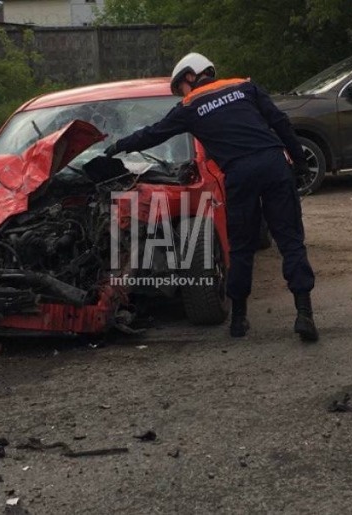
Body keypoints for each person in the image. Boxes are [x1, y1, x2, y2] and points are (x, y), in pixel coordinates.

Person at [105, 53, 319, 342]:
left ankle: (239, 321)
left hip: (240, 174)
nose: (182, 92)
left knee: (241, 246)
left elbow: (153, 134)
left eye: (180, 86)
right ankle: (304, 314)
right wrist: (300, 162)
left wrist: (118, 145)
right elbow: (279, 121)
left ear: (190, 77)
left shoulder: (190, 105)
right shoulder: (245, 87)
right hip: (274, 165)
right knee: (291, 240)